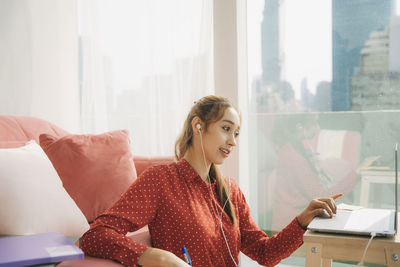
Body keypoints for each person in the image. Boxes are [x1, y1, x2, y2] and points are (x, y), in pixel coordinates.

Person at [81, 95, 339, 267]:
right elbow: (96, 236)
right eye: (226, 129)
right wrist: (154, 256)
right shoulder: (160, 180)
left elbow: (265, 253)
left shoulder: (231, 191)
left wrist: (302, 221)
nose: (233, 141)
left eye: (236, 133)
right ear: (199, 126)